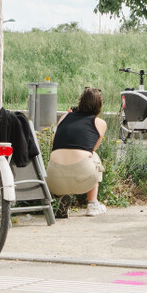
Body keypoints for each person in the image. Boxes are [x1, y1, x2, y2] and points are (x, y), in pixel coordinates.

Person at [50, 86, 108, 215]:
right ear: (99, 106)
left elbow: (54, 142)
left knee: (64, 154)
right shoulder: (99, 123)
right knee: (93, 156)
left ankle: (63, 200)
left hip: (54, 178)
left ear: (80, 102)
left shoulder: (64, 117)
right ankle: (92, 204)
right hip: (81, 177)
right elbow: (92, 148)